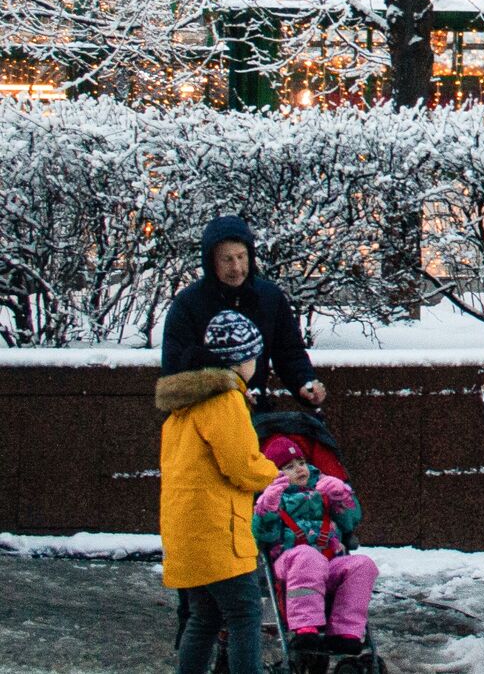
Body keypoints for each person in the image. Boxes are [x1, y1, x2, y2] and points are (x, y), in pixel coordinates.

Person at [156, 310, 280, 674]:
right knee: (244, 613)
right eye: (254, 356)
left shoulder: (185, 406)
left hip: (188, 530)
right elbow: (242, 465)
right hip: (218, 532)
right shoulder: (224, 401)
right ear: (242, 360)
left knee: (204, 617)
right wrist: (272, 473)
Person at [162, 215, 326, 410]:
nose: (237, 267)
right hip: (205, 418)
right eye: (227, 259)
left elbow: (289, 353)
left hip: (256, 416)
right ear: (211, 262)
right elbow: (175, 371)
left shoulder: (269, 298)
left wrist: (304, 383)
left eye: (241, 256)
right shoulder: (187, 305)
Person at [253, 437, 379, 655]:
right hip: (291, 563)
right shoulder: (274, 497)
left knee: (362, 565)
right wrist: (268, 507)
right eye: (289, 467)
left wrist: (342, 497)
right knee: (306, 556)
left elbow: (350, 522)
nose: (299, 469)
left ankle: (346, 632)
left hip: (328, 561)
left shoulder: (324, 488)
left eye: (301, 463)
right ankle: (305, 627)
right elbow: (264, 535)